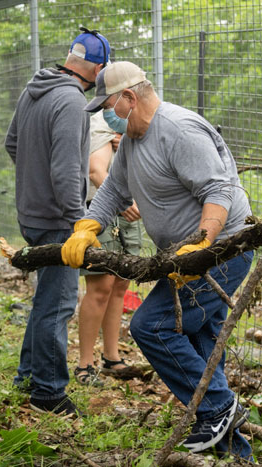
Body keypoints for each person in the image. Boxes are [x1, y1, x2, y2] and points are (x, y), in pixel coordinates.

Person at [61, 61, 254, 459]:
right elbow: (114, 190)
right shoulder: (133, 138)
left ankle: (218, 407)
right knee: (203, 346)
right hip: (185, 259)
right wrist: (87, 226)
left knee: (152, 326)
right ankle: (236, 457)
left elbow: (219, 190)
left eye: (108, 106)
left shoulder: (178, 130)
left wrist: (203, 244)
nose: (106, 116)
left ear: (130, 98)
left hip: (220, 252)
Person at [4, 27, 110, 418]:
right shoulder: (69, 101)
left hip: (31, 214)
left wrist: (34, 184)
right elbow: (67, 172)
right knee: (60, 303)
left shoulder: (35, 89)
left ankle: (27, 378)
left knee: (45, 299)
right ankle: (47, 392)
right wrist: (78, 221)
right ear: (98, 69)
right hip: (57, 220)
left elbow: (11, 144)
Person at [75, 111, 143, 386]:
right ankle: (84, 364)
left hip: (130, 214)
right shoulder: (99, 124)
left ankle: (112, 357)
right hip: (102, 212)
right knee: (100, 287)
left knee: (120, 287)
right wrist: (123, 203)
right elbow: (95, 171)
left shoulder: (133, 124)